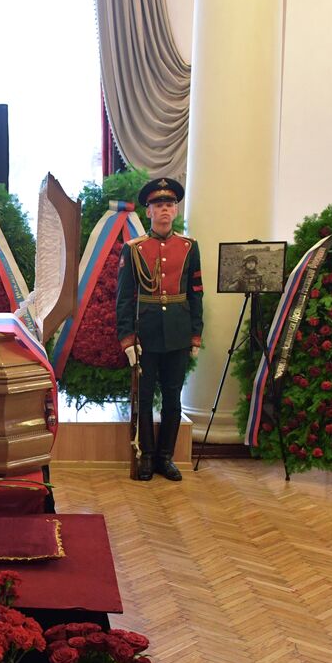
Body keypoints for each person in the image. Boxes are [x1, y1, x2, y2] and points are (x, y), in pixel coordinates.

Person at [115, 177, 203, 482]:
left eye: (169, 204)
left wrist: (195, 334)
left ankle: (166, 457)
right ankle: (147, 456)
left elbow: (196, 292)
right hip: (146, 335)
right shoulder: (134, 249)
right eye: (158, 205)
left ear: (175, 210)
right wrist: (127, 338)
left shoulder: (189, 247)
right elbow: (124, 298)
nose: (164, 210)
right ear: (148, 212)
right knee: (143, 398)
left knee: (172, 398)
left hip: (178, 332)